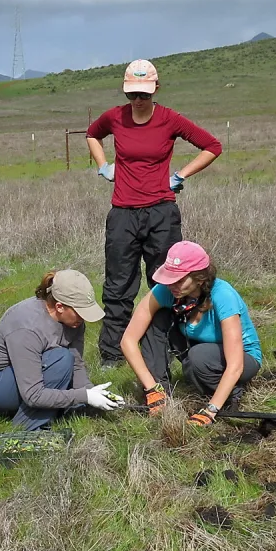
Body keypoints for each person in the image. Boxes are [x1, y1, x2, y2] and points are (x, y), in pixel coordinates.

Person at [85, 59, 222, 365]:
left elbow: (212, 146)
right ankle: (112, 355)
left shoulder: (169, 119)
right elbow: (93, 134)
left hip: (161, 212)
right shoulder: (115, 117)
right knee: (118, 285)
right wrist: (103, 166)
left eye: (144, 94)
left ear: (155, 89)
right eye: (132, 94)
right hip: (123, 213)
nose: (138, 100)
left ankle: (175, 348)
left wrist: (181, 175)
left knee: (170, 283)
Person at [120, 241, 262, 428]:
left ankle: (231, 394)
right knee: (155, 320)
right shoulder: (166, 290)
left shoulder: (223, 295)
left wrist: (210, 410)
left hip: (243, 358)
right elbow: (128, 340)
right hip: (197, 350)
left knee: (199, 358)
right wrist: (151, 388)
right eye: (170, 278)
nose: (172, 285)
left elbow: (235, 365)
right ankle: (162, 394)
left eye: (179, 280)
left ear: (199, 278)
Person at [0, 270, 123, 429]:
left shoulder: (74, 321)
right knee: (61, 359)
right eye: (80, 312)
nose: (84, 318)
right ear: (59, 306)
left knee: (65, 359)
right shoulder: (27, 326)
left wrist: (92, 393)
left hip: (32, 373)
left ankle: (58, 411)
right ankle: (28, 427)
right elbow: (33, 394)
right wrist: (84, 396)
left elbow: (77, 364)